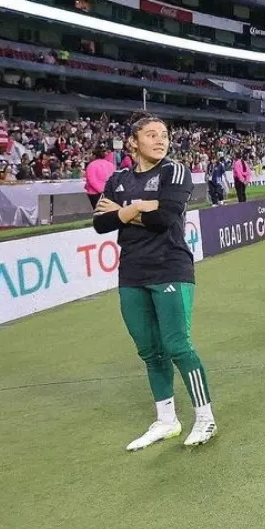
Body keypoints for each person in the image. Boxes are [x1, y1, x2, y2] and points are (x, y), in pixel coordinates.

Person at [92, 114, 217, 450]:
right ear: (133, 142)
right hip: (132, 271)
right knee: (150, 351)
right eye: (151, 135)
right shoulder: (118, 178)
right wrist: (139, 207)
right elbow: (100, 224)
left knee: (178, 346)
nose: (161, 140)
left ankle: (205, 419)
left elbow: (165, 218)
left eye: (164, 135)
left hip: (170, 267)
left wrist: (123, 211)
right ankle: (166, 421)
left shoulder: (173, 171)